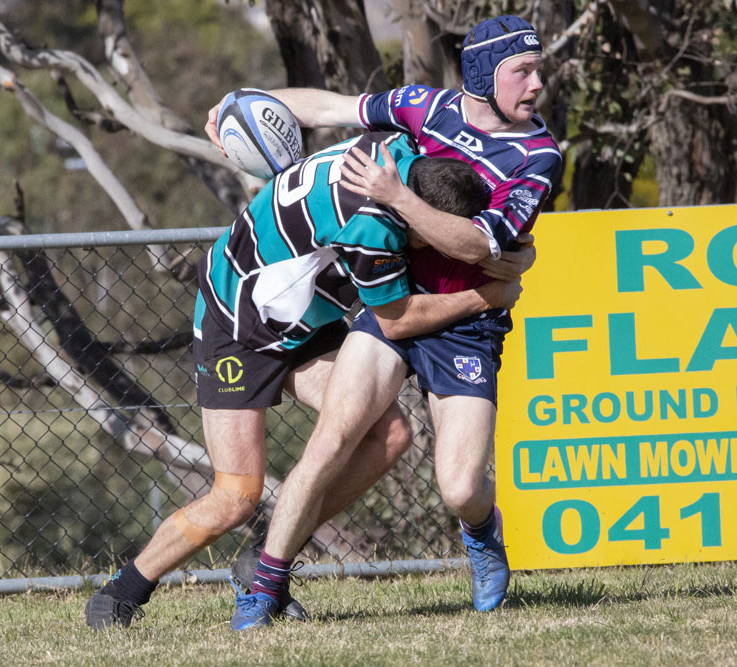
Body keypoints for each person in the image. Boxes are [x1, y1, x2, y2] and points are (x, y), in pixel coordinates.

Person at [83, 129, 524, 629]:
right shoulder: (371, 227)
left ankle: (269, 558)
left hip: (302, 315)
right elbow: (398, 320)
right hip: (238, 322)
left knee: (390, 433)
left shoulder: (395, 150)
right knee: (236, 495)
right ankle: (120, 593)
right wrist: (486, 296)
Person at [204, 15, 564, 629]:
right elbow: (329, 106)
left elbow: (478, 245)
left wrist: (399, 198)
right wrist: (241, 106)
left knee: (459, 488)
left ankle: (482, 532)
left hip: (466, 320)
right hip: (394, 301)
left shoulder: (538, 155)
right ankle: (263, 587)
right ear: (484, 75)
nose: (537, 85)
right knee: (332, 440)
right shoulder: (429, 107)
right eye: (523, 71)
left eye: (538, 71)